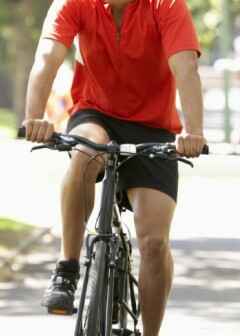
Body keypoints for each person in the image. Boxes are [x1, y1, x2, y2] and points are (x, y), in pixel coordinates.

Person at [21, 1, 206, 335]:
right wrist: (34, 117)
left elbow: (186, 69)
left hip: (154, 125)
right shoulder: (73, 3)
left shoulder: (166, 5)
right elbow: (48, 57)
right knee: (83, 154)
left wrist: (193, 132)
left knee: (154, 243)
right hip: (95, 113)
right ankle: (67, 267)